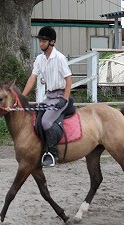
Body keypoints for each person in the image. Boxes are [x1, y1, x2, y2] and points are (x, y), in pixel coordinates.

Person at [23, 26, 72, 167]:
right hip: (49, 97)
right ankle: (41, 150)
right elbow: (33, 78)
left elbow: (69, 80)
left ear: (52, 42)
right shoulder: (39, 59)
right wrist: (22, 96)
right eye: (40, 40)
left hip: (60, 96)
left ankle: (52, 154)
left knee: (45, 122)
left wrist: (65, 99)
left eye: (44, 41)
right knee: (35, 119)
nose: (41, 43)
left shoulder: (60, 58)